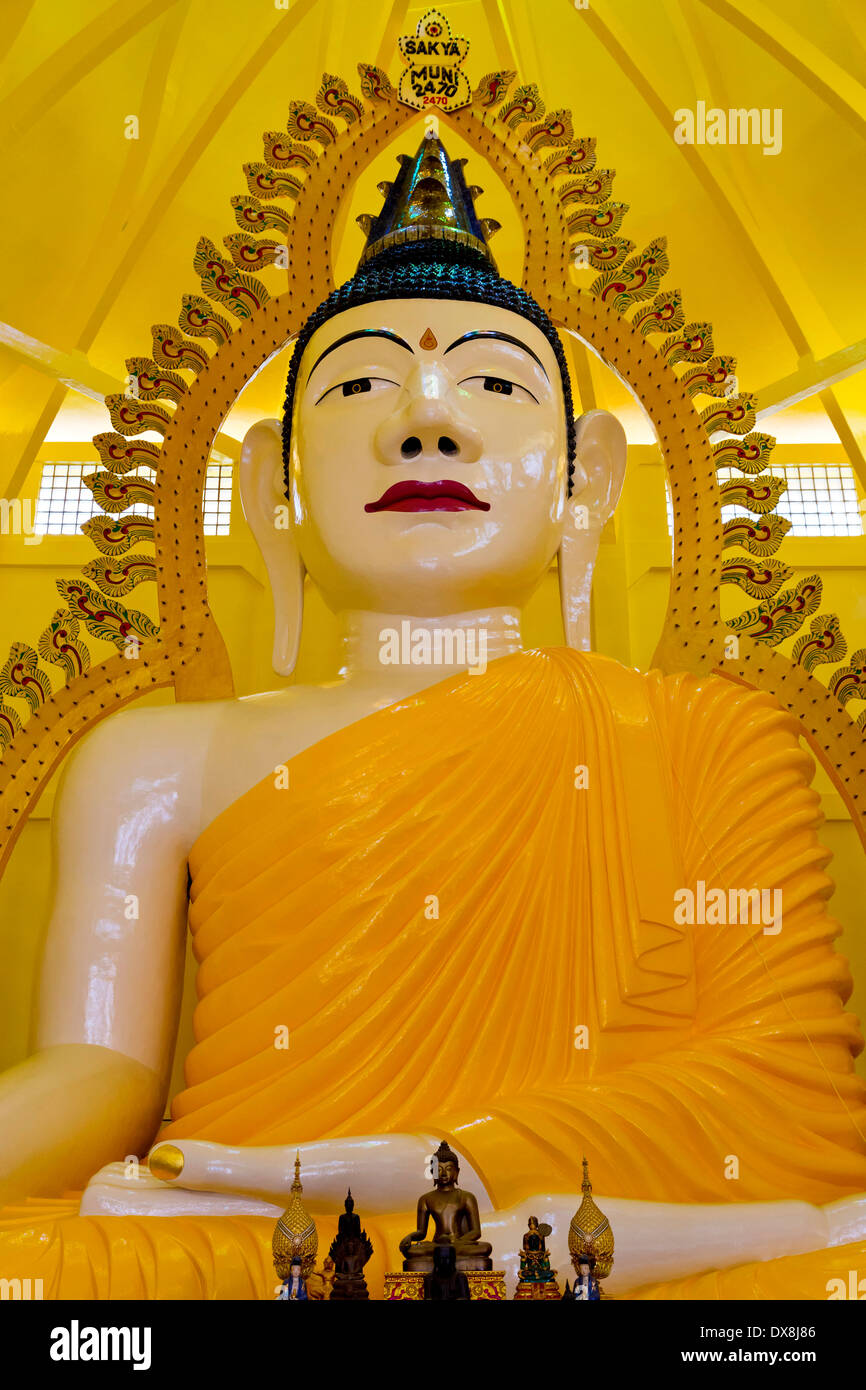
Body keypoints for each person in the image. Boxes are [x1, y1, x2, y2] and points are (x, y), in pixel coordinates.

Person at [0, 132, 864, 1301]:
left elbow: (783, 1097)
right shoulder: (158, 759)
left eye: (495, 382)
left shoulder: (705, 731)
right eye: (356, 383)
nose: (425, 421)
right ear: (274, 485)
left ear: (584, 480)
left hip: (560, 1229)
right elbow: (97, 1074)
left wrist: (435, 1167)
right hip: (243, 1242)